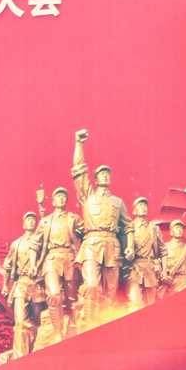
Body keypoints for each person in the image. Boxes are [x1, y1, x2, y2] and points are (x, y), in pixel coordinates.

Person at [70, 129, 130, 324]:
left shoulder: (118, 202)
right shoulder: (88, 196)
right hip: (92, 244)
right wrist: (79, 144)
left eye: (107, 173)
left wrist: (130, 247)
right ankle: (89, 323)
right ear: (95, 179)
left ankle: (105, 325)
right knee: (92, 285)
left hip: (112, 246)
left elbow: (127, 227)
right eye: (101, 174)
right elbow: (79, 171)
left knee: (111, 292)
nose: (105, 176)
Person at [34, 183, 82, 338]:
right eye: (58, 196)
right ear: (53, 201)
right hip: (52, 259)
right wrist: (34, 263)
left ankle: (73, 326)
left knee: (71, 297)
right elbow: (35, 243)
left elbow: (86, 234)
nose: (61, 199)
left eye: (64, 196)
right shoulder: (46, 221)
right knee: (54, 294)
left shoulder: (73, 218)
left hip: (69, 258)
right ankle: (57, 332)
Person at [1, 210, 45, 359]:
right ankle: (20, 355)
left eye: (33, 219)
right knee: (20, 322)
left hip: (38, 285)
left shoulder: (41, 241)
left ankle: (35, 350)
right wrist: (5, 285)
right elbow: (7, 265)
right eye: (28, 219)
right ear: (23, 224)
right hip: (21, 284)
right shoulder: (16, 244)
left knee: (38, 321)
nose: (31, 222)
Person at [124, 197, 164, 310]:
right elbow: (124, 247)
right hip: (134, 268)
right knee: (135, 303)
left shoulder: (154, 228)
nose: (144, 208)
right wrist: (128, 253)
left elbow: (163, 251)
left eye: (145, 205)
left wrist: (163, 269)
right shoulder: (129, 227)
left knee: (151, 304)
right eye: (140, 205)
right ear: (134, 211)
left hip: (150, 269)